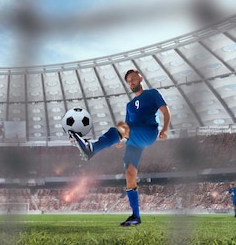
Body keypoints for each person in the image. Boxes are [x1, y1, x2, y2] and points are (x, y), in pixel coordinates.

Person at [70, 69, 170, 226]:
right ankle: (136, 216)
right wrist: (119, 139)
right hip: (133, 141)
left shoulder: (152, 94)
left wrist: (164, 129)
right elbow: (125, 127)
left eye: (133, 79)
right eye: (128, 81)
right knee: (130, 174)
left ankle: (92, 148)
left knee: (122, 127)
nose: (131, 82)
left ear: (141, 78)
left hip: (148, 132)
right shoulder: (129, 105)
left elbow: (165, 111)